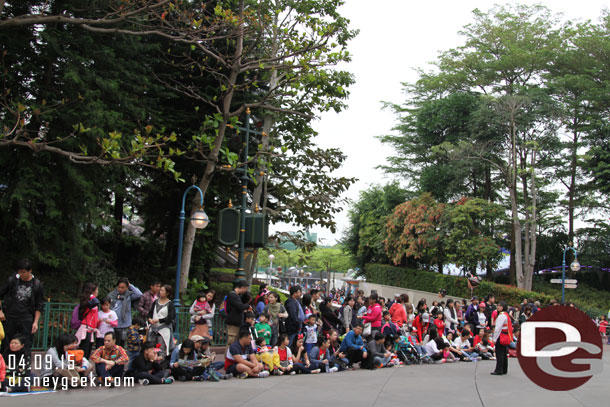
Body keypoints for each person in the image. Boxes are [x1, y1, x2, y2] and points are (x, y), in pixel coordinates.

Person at [0, 259, 44, 354]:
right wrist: (0, 311)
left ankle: (23, 367)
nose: (21, 274)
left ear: (30, 271)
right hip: (10, 317)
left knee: (26, 343)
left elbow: (39, 305)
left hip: (27, 318)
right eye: (19, 272)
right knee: (7, 343)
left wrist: (36, 322)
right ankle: (6, 366)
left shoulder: (37, 285)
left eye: (23, 272)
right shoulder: (12, 280)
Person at [108, 277, 142, 347]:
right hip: (114, 323)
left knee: (123, 342)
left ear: (127, 287)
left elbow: (139, 294)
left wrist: (130, 285)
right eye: (119, 287)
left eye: (123, 287)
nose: (120, 289)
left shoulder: (129, 295)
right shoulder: (112, 295)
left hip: (125, 323)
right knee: (114, 342)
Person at [147, 284, 175, 356]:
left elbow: (170, 317)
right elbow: (150, 313)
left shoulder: (170, 304)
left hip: (164, 329)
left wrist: (159, 320)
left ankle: (161, 362)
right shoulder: (156, 302)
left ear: (167, 293)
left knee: (161, 348)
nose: (160, 292)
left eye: (162, 291)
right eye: (160, 290)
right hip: (153, 328)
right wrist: (150, 319)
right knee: (151, 347)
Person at [75, 282, 100, 358]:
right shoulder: (87, 303)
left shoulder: (90, 302)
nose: (97, 292)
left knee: (87, 353)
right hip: (85, 329)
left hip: (90, 330)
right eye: (96, 290)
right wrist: (91, 295)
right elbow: (96, 302)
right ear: (92, 292)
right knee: (83, 353)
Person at [226, 280, 251, 346]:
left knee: (234, 342)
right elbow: (240, 306)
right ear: (242, 287)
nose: (246, 291)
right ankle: (227, 356)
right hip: (233, 322)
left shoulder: (237, 295)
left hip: (236, 322)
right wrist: (247, 305)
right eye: (246, 289)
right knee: (231, 342)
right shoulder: (232, 295)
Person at [491, 301, 512, 376]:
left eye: (499, 306)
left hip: (501, 336)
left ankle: (499, 369)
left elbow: (497, 329)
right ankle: (504, 369)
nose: (498, 307)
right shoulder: (506, 315)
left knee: (499, 353)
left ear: (502, 307)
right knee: (503, 353)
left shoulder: (501, 316)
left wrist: (494, 339)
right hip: (505, 336)